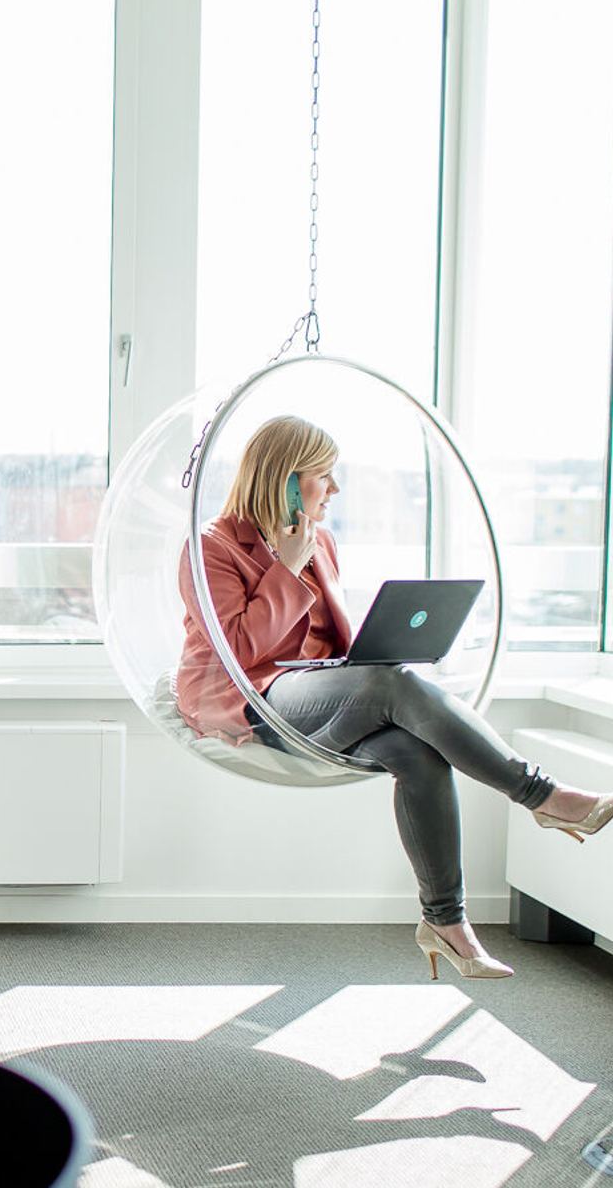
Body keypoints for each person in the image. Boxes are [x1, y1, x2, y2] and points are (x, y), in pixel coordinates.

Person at [177, 414, 613, 980]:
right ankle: (542, 796)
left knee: (416, 749)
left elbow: (328, 638)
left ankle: (445, 923)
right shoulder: (209, 546)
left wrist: (366, 653)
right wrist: (285, 568)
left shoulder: (320, 539)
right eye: (323, 476)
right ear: (284, 480)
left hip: (318, 692)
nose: (334, 490)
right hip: (252, 698)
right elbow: (238, 650)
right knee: (394, 682)